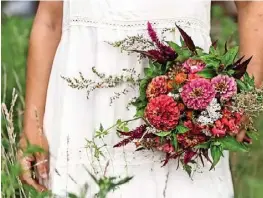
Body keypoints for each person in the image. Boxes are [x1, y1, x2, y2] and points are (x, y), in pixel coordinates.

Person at [18, 0, 263, 197]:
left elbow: (253, 6)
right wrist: (33, 126)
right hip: (83, 109)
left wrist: (244, 100)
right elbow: (50, 20)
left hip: (186, 111)